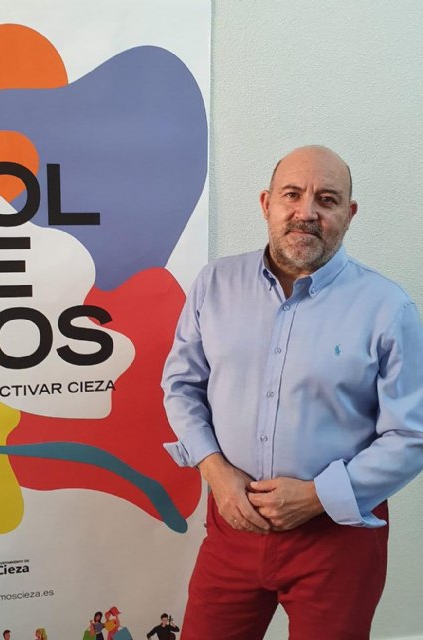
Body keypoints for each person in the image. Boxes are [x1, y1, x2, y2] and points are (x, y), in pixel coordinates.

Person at [161, 145, 423, 639]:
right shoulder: (215, 284)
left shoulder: (388, 309)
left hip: (337, 540)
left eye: (327, 199)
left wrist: (318, 496)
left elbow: (411, 435)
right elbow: (181, 385)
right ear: (266, 204)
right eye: (292, 194)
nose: (306, 212)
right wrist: (215, 471)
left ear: (350, 214)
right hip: (232, 525)